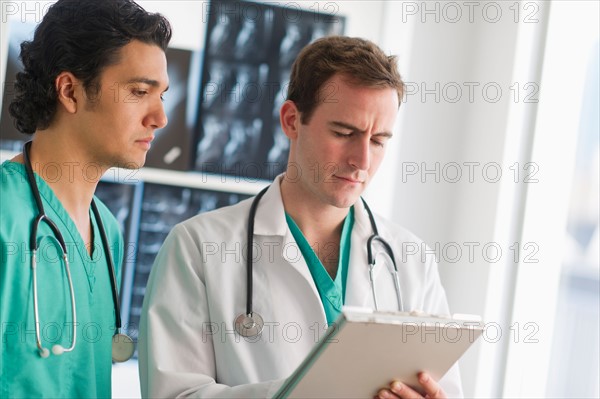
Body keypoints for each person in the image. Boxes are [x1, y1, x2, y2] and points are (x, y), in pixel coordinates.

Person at [139, 36, 462, 398]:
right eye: (344, 133)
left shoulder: (410, 259)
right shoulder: (198, 247)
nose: (362, 161)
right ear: (292, 120)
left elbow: (442, 388)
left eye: (378, 141)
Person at [0, 0, 171, 397]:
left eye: (161, 94)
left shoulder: (107, 230)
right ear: (70, 91)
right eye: (139, 91)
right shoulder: (5, 216)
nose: (160, 118)